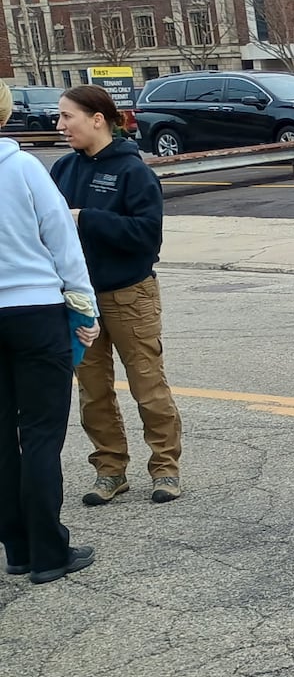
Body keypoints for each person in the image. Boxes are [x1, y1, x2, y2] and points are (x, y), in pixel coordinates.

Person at [51, 85, 186, 507]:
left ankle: (165, 468)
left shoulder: (133, 172)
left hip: (129, 294)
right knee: (93, 390)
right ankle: (109, 470)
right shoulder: (60, 171)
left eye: (67, 116)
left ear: (97, 119)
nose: (60, 125)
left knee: (148, 385)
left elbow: (148, 238)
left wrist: (86, 219)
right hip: (79, 299)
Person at [0, 81, 99, 583]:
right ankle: (47, 551)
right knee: (40, 434)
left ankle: (15, 547)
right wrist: (85, 311)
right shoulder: (23, 170)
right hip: (34, 310)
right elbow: (63, 243)